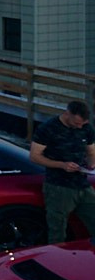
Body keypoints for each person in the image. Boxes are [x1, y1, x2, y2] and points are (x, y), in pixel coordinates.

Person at [31, 100, 95, 243]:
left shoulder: (86, 128)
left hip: (82, 183)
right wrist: (61, 165)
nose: (80, 126)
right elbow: (35, 156)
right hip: (58, 186)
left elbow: (91, 151)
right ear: (67, 114)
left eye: (82, 124)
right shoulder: (48, 128)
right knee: (57, 229)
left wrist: (91, 165)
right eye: (77, 123)